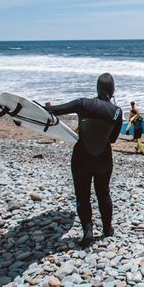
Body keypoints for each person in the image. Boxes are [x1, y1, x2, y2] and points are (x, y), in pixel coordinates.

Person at [48, 73, 123, 247]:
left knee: (82, 196)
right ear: (112, 91)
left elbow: (54, 111)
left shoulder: (83, 103)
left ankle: (87, 231)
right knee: (103, 193)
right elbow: (112, 139)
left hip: (81, 157)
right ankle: (107, 229)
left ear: (97, 88)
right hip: (104, 158)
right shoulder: (117, 112)